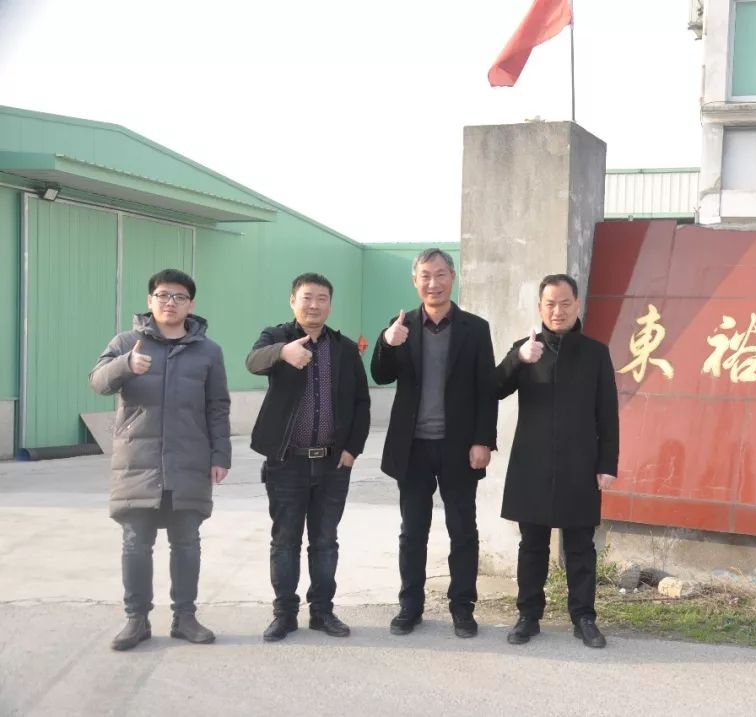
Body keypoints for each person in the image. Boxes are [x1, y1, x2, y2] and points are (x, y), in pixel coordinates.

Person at [90, 268, 231, 651]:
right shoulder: (126, 343)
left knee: (187, 543)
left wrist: (220, 455)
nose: (171, 302)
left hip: (189, 461)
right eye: (164, 295)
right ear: (150, 300)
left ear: (191, 304)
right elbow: (98, 382)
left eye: (179, 297)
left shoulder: (209, 351)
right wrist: (125, 365)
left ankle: (185, 617)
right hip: (138, 461)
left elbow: (217, 407)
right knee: (136, 544)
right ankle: (136, 620)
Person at [370, 248, 497, 638]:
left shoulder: (475, 328)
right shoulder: (401, 326)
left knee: (463, 530)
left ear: (452, 277)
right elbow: (380, 374)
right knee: (413, 531)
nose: (433, 283)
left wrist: (483, 441)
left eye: (441, 274)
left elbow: (486, 389)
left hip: (459, 447)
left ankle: (463, 608)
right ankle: (410, 606)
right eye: (425, 275)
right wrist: (387, 342)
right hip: (413, 448)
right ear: (415, 281)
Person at [495, 274, 619, 649]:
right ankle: (528, 616)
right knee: (532, 546)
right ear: (540, 308)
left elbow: (607, 414)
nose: (558, 311)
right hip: (532, 465)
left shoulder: (595, 353)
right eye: (550, 304)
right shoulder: (526, 349)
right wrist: (518, 360)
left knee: (580, 546)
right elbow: (492, 388)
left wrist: (607, 464)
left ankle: (584, 617)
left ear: (577, 304)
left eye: (565, 303)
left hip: (579, 464)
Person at [246, 273, 371, 642]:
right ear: (293, 301)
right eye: (306, 297)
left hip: (333, 464)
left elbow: (361, 402)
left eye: (321, 298)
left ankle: (322, 612)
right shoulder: (275, 337)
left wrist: (351, 450)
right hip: (287, 462)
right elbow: (253, 361)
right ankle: (284, 614)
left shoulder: (344, 349)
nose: (314, 305)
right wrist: (282, 353)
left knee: (325, 541)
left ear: (330, 304)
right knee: (285, 540)